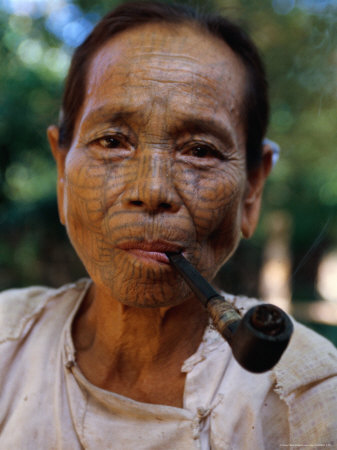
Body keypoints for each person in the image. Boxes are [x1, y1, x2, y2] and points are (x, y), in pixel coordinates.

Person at [0, 1, 336, 448]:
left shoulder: (310, 399)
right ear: (62, 170)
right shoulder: (6, 344)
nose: (153, 189)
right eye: (112, 141)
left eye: (200, 151)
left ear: (252, 190)